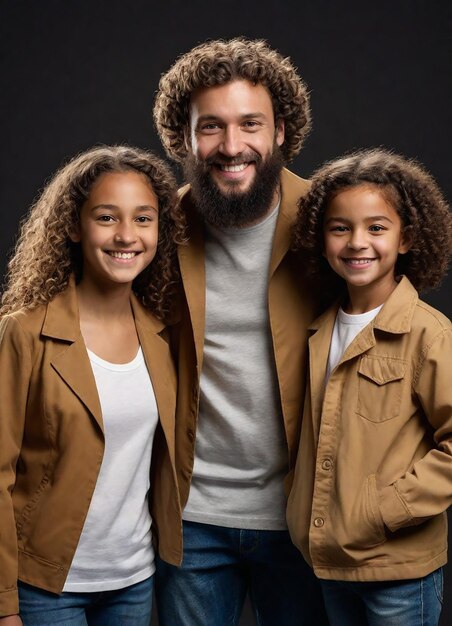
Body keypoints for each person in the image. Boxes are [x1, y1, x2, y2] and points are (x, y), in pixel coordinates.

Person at [153, 37, 327, 625]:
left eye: (250, 123)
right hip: (193, 523)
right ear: (184, 137)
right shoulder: (153, 234)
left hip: (305, 520)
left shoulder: (335, 227)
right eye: (212, 127)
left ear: (281, 131)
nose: (232, 147)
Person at [0, 145, 185, 625]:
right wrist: (3, 606)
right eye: (107, 217)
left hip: (135, 581)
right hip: (46, 588)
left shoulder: (163, 335)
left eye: (143, 219)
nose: (127, 235)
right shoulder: (24, 333)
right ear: (74, 227)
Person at [287, 148, 452, 626]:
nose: (358, 242)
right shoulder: (317, 331)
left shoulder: (429, 334)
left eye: (377, 227)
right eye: (341, 228)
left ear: (406, 238)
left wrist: (383, 510)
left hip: (398, 571)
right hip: (328, 565)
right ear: (320, 239)